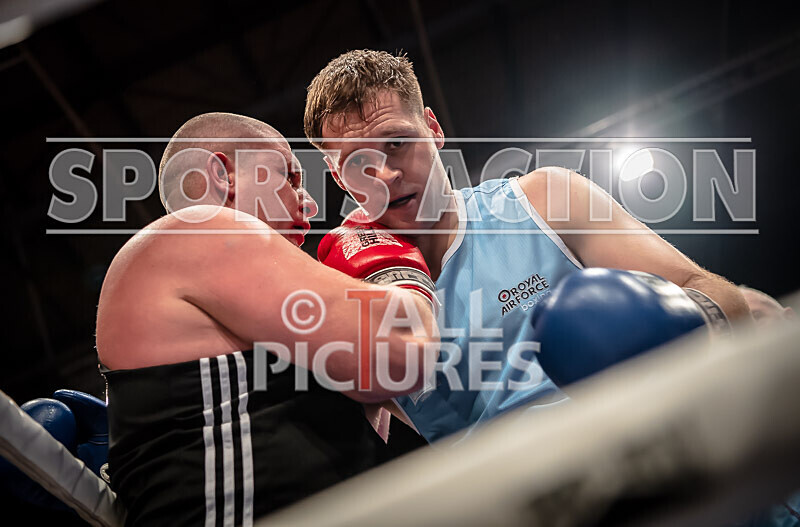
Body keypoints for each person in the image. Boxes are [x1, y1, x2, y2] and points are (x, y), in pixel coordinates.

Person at [303, 50, 751, 442]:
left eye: (397, 143)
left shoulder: (543, 199)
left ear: (434, 128)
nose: (385, 175)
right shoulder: (349, 295)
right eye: (359, 163)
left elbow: (721, 297)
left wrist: (663, 329)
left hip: (666, 451)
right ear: (339, 177)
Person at [96, 112, 438, 525]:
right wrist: (391, 269)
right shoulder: (198, 230)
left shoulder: (241, 324)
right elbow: (399, 353)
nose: (309, 203)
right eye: (289, 177)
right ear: (223, 175)